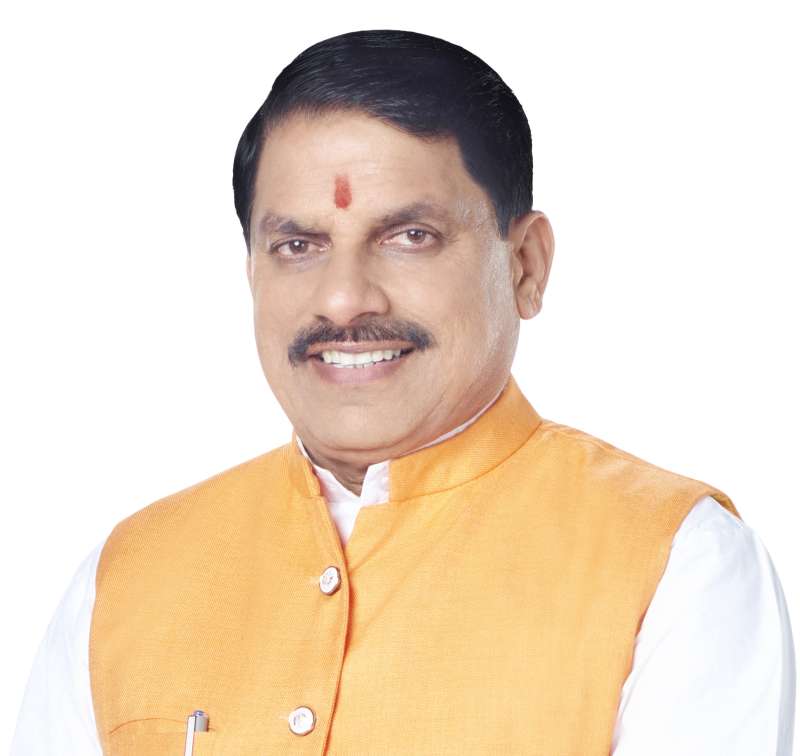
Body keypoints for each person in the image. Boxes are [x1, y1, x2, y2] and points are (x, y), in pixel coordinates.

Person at [11, 29, 795, 755]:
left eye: (409, 237)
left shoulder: (675, 565)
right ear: (251, 272)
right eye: (298, 245)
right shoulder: (126, 580)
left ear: (525, 265)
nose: (344, 299)